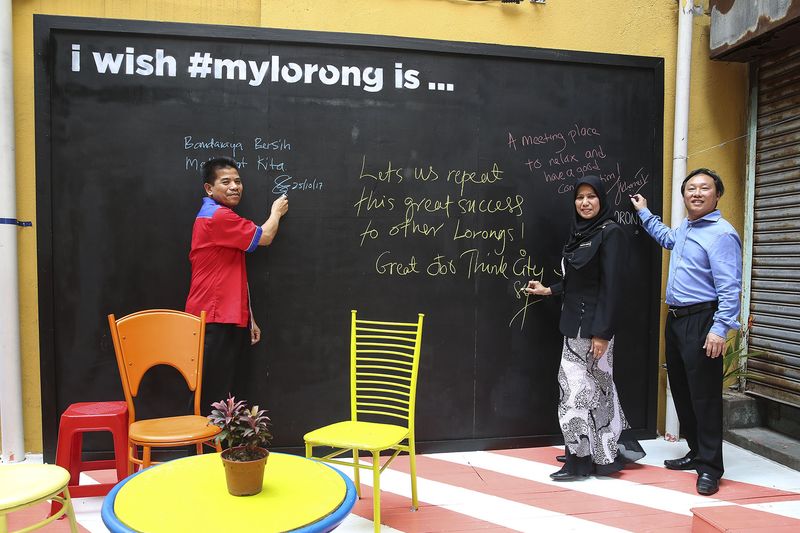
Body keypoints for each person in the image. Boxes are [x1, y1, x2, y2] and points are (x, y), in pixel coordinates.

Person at [630, 168, 741, 496]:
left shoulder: (721, 233)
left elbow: (730, 287)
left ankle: (710, 468)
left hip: (703, 321)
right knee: (682, 390)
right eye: (690, 188)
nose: (696, 193)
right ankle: (696, 452)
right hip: (677, 320)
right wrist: (644, 212)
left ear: (717, 194)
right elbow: (666, 238)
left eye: (704, 188)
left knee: (705, 396)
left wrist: (720, 329)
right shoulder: (688, 228)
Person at [527, 175, 645, 481]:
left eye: (591, 196)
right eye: (580, 197)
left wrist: (602, 333)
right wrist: (547, 290)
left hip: (594, 332)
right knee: (596, 394)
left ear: (602, 200)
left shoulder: (611, 233)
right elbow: (577, 281)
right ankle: (597, 454)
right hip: (575, 329)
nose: (585, 202)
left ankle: (578, 462)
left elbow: (613, 288)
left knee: (575, 394)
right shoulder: (580, 234)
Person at [185, 156, 289, 414]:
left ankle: (216, 451)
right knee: (211, 393)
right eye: (226, 182)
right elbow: (264, 236)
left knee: (224, 392)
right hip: (214, 318)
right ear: (209, 188)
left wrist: (249, 317)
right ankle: (196, 452)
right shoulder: (217, 217)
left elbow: (232, 274)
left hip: (224, 317)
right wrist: (276, 213)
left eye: (238, 181)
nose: (234, 187)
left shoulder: (220, 217)